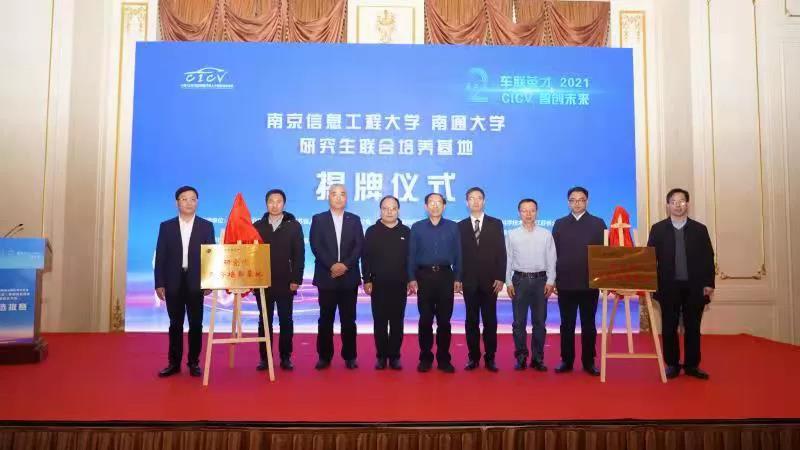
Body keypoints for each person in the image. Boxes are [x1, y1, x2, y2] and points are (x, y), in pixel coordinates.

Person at [647, 188, 715, 380]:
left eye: (682, 201)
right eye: (674, 202)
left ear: (688, 204)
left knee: (693, 327)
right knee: (669, 327)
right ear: (668, 205)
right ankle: (672, 364)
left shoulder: (699, 229)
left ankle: (692, 365)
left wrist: (709, 283)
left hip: (695, 286)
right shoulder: (658, 229)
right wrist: (651, 283)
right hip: (667, 287)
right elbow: (650, 259)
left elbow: (708, 257)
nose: (678, 205)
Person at [154, 186, 216, 378]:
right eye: (184, 199)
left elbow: (211, 257)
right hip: (173, 281)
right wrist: (159, 283)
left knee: (196, 324)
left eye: (192, 199)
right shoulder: (166, 226)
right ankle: (174, 363)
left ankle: (194, 362)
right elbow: (161, 256)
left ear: (197, 202)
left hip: (196, 281)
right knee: (175, 324)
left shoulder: (206, 226)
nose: (189, 203)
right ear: (177, 203)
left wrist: (209, 281)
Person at [552, 186, 606, 376]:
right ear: (568, 203)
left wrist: (602, 279)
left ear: (587, 202)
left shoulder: (598, 223)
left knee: (588, 324)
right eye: (573, 200)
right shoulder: (559, 224)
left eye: (581, 200)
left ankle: (589, 361)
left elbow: (603, 254)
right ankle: (566, 360)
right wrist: (554, 279)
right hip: (565, 283)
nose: (577, 203)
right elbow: (553, 254)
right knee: (566, 324)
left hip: (589, 283)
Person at [310, 184, 364, 370]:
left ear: (346, 198)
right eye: (334, 194)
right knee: (325, 319)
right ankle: (324, 356)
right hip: (327, 277)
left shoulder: (354, 220)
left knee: (349, 320)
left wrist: (345, 265)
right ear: (329, 197)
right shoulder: (318, 219)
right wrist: (332, 265)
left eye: (342, 194)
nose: (338, 197)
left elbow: (359, 246)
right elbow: (316, 245)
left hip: (349, 278)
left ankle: (350, 356)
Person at [407, 192, 462, 373]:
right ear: (426, 206)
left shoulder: (453, 227)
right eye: (431, 202)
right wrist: (411, 278)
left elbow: (459, 254)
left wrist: (458, 277)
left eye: (439, 202)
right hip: (424, 277)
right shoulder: (417, 227)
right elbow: (411, 255)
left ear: (444, 206)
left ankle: (444, 359)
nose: (435, 205)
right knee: (425, 320)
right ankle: (425, 357)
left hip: (446, 276)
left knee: (444, 321)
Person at [252, 189, 304, 371]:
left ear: (284, 204)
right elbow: (251, 255)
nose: (275, 205)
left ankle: (285, 357)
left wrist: (296, 279)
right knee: (264, 321)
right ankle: (265, 358)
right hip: (262, 281)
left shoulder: (294, 226)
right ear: (266, 204)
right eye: (271, 201)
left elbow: (299, 255)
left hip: (286, 281)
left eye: (278, 201)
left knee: (286, 320)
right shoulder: (257, 226)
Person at [458, 187, 506, 372]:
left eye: (479, 198)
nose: (476, 201)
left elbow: (501, 252)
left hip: (490, 282)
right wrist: (458, 278)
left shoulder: (496, 223)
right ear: (466, 202)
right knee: (471, 321)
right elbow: (457, 256)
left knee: (490, 321)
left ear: (484, 201)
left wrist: (500, 277)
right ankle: (473, 357)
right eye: (472, 198)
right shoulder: (460, 226)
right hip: (469, 281)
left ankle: (490, 357)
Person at [505, 198, 556, 372]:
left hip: (541, 281)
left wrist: (550, 281)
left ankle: (538, 358)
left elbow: (552, 259)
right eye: (524, 210)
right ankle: (521, 356)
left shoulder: (546, 234)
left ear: (537, 212)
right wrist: (508, 281)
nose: (528, 214)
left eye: (532, 210)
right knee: (519, 322)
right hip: (519, 281)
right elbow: (508, 260)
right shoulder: (512, 235)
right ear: (519, 213)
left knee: (539, 322)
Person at [362, 195, 410, 370]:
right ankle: (381, 356)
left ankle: (395, 356)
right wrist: (366, 279)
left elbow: (410, 259)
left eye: (393, 208)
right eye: (385, 208)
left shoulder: (406, 231)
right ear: (380, 210)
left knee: (397, 322)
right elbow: (365, 258)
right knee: (380, 322)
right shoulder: (371, 231)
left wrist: (410, 280)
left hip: (400, 284)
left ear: (398, 210)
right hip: (378, 284)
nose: (389, 212)